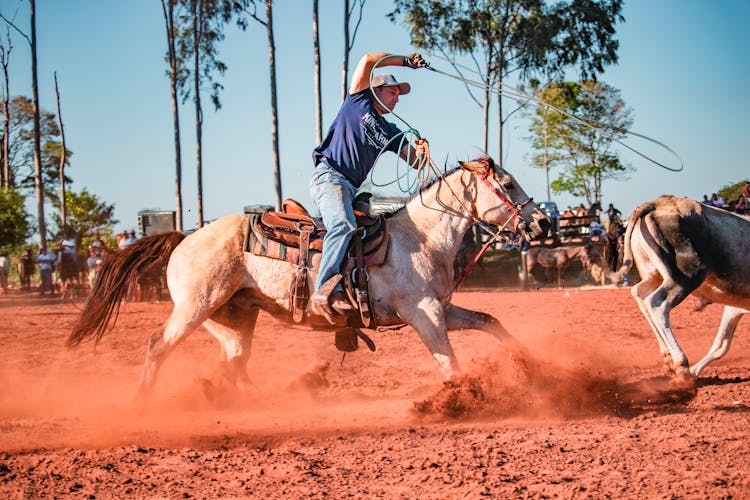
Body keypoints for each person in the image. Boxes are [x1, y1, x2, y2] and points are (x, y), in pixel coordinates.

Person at [310, 51, 430, 316]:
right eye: (393, 92)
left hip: (350, 188)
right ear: (375, 90)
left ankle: (354, 294)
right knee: (342, 225)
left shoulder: (391, 131)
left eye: (399, 94)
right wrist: (406, 62)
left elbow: (415, 163)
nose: (397, 98)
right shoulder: (357, 101)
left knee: (367, 234)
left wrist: (421, 152)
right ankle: (324, 290)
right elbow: (367, 60)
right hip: (330, 177)